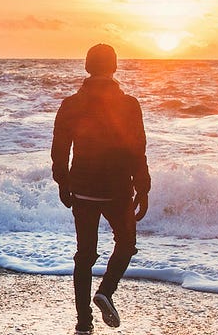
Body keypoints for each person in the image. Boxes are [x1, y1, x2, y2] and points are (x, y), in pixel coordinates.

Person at [51, 43, 150, 334]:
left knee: (84, 255)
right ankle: (106, 291)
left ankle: (83, 322)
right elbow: (137, 149)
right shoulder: (129, 104)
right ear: (115, 67)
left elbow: (59, 148)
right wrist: (142, 188)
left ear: (86, 66)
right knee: (126, 243)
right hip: (117, 188)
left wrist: (63, 182)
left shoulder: (70, 104)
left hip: (82, 187)